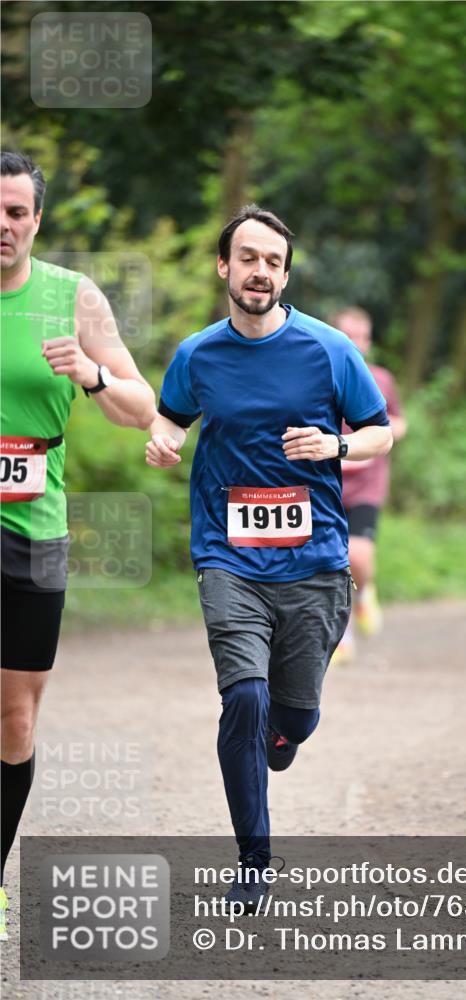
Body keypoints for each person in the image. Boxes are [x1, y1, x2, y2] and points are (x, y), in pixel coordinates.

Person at [146, 205, 392, 911]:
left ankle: (282, 735)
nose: (260, 272)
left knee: (295, 719)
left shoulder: (328, 350)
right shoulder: (198, 354)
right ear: (224, 266)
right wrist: (161, 440)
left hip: (313, 562)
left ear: (286, 273)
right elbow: (171, 414)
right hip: (228, 557)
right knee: (244, 698)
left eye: (273, 262)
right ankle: (254, 856)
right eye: (247, 258)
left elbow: (379, 433)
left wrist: (336, 446)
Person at [0, 152, 156, 939]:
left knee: (16, 719)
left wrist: (93, 375)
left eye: (16, 212)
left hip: (33, 530)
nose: (3, 224)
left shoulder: (71, 297)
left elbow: (142, 407)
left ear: (36, 220)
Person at [330, 307, 407, 663]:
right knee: (331, 563)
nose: (354, 343)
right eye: (347, 334)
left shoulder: (381, 379)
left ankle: (365, 594)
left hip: (367, 483)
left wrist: (383, 431)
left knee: (356, 555)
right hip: (326, 481)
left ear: (369, 340)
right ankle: (342, 636)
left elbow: (398, 423)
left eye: (360, 336)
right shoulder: (319, 375)